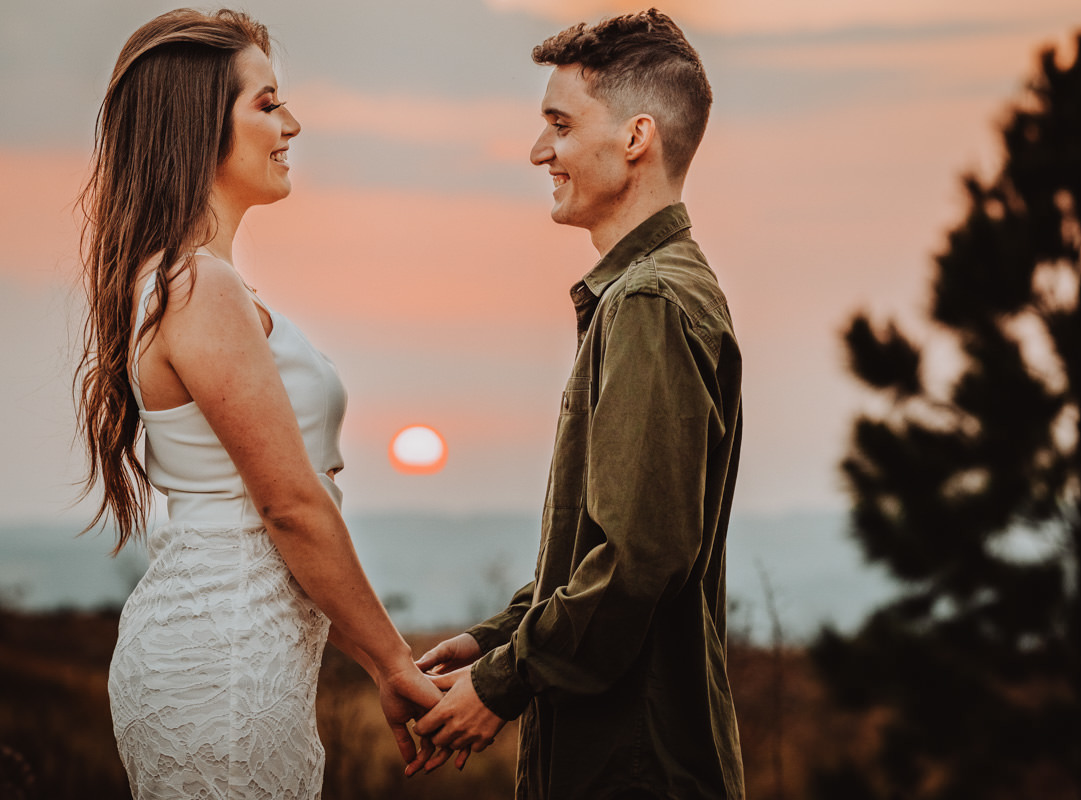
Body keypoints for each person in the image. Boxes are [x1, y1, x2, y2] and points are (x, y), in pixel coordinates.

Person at [74, 9, 441, 797]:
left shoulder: (185, 281)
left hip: (236, 644)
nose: (292, 124)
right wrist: (392, 660)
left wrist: (371, 656)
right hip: (225, 657)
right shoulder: (200, 286)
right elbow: (289, 508)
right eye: (267, 104)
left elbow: (283, 525)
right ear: (200, 124)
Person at [414, 9, 746, 798]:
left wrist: (504, 684)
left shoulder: (651, 302)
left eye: (558, 125)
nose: (539, 151)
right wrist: (493, 640)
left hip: (632, 766)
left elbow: (639, 559)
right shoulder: (648, 292)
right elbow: (604, 544)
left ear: (636, 138)